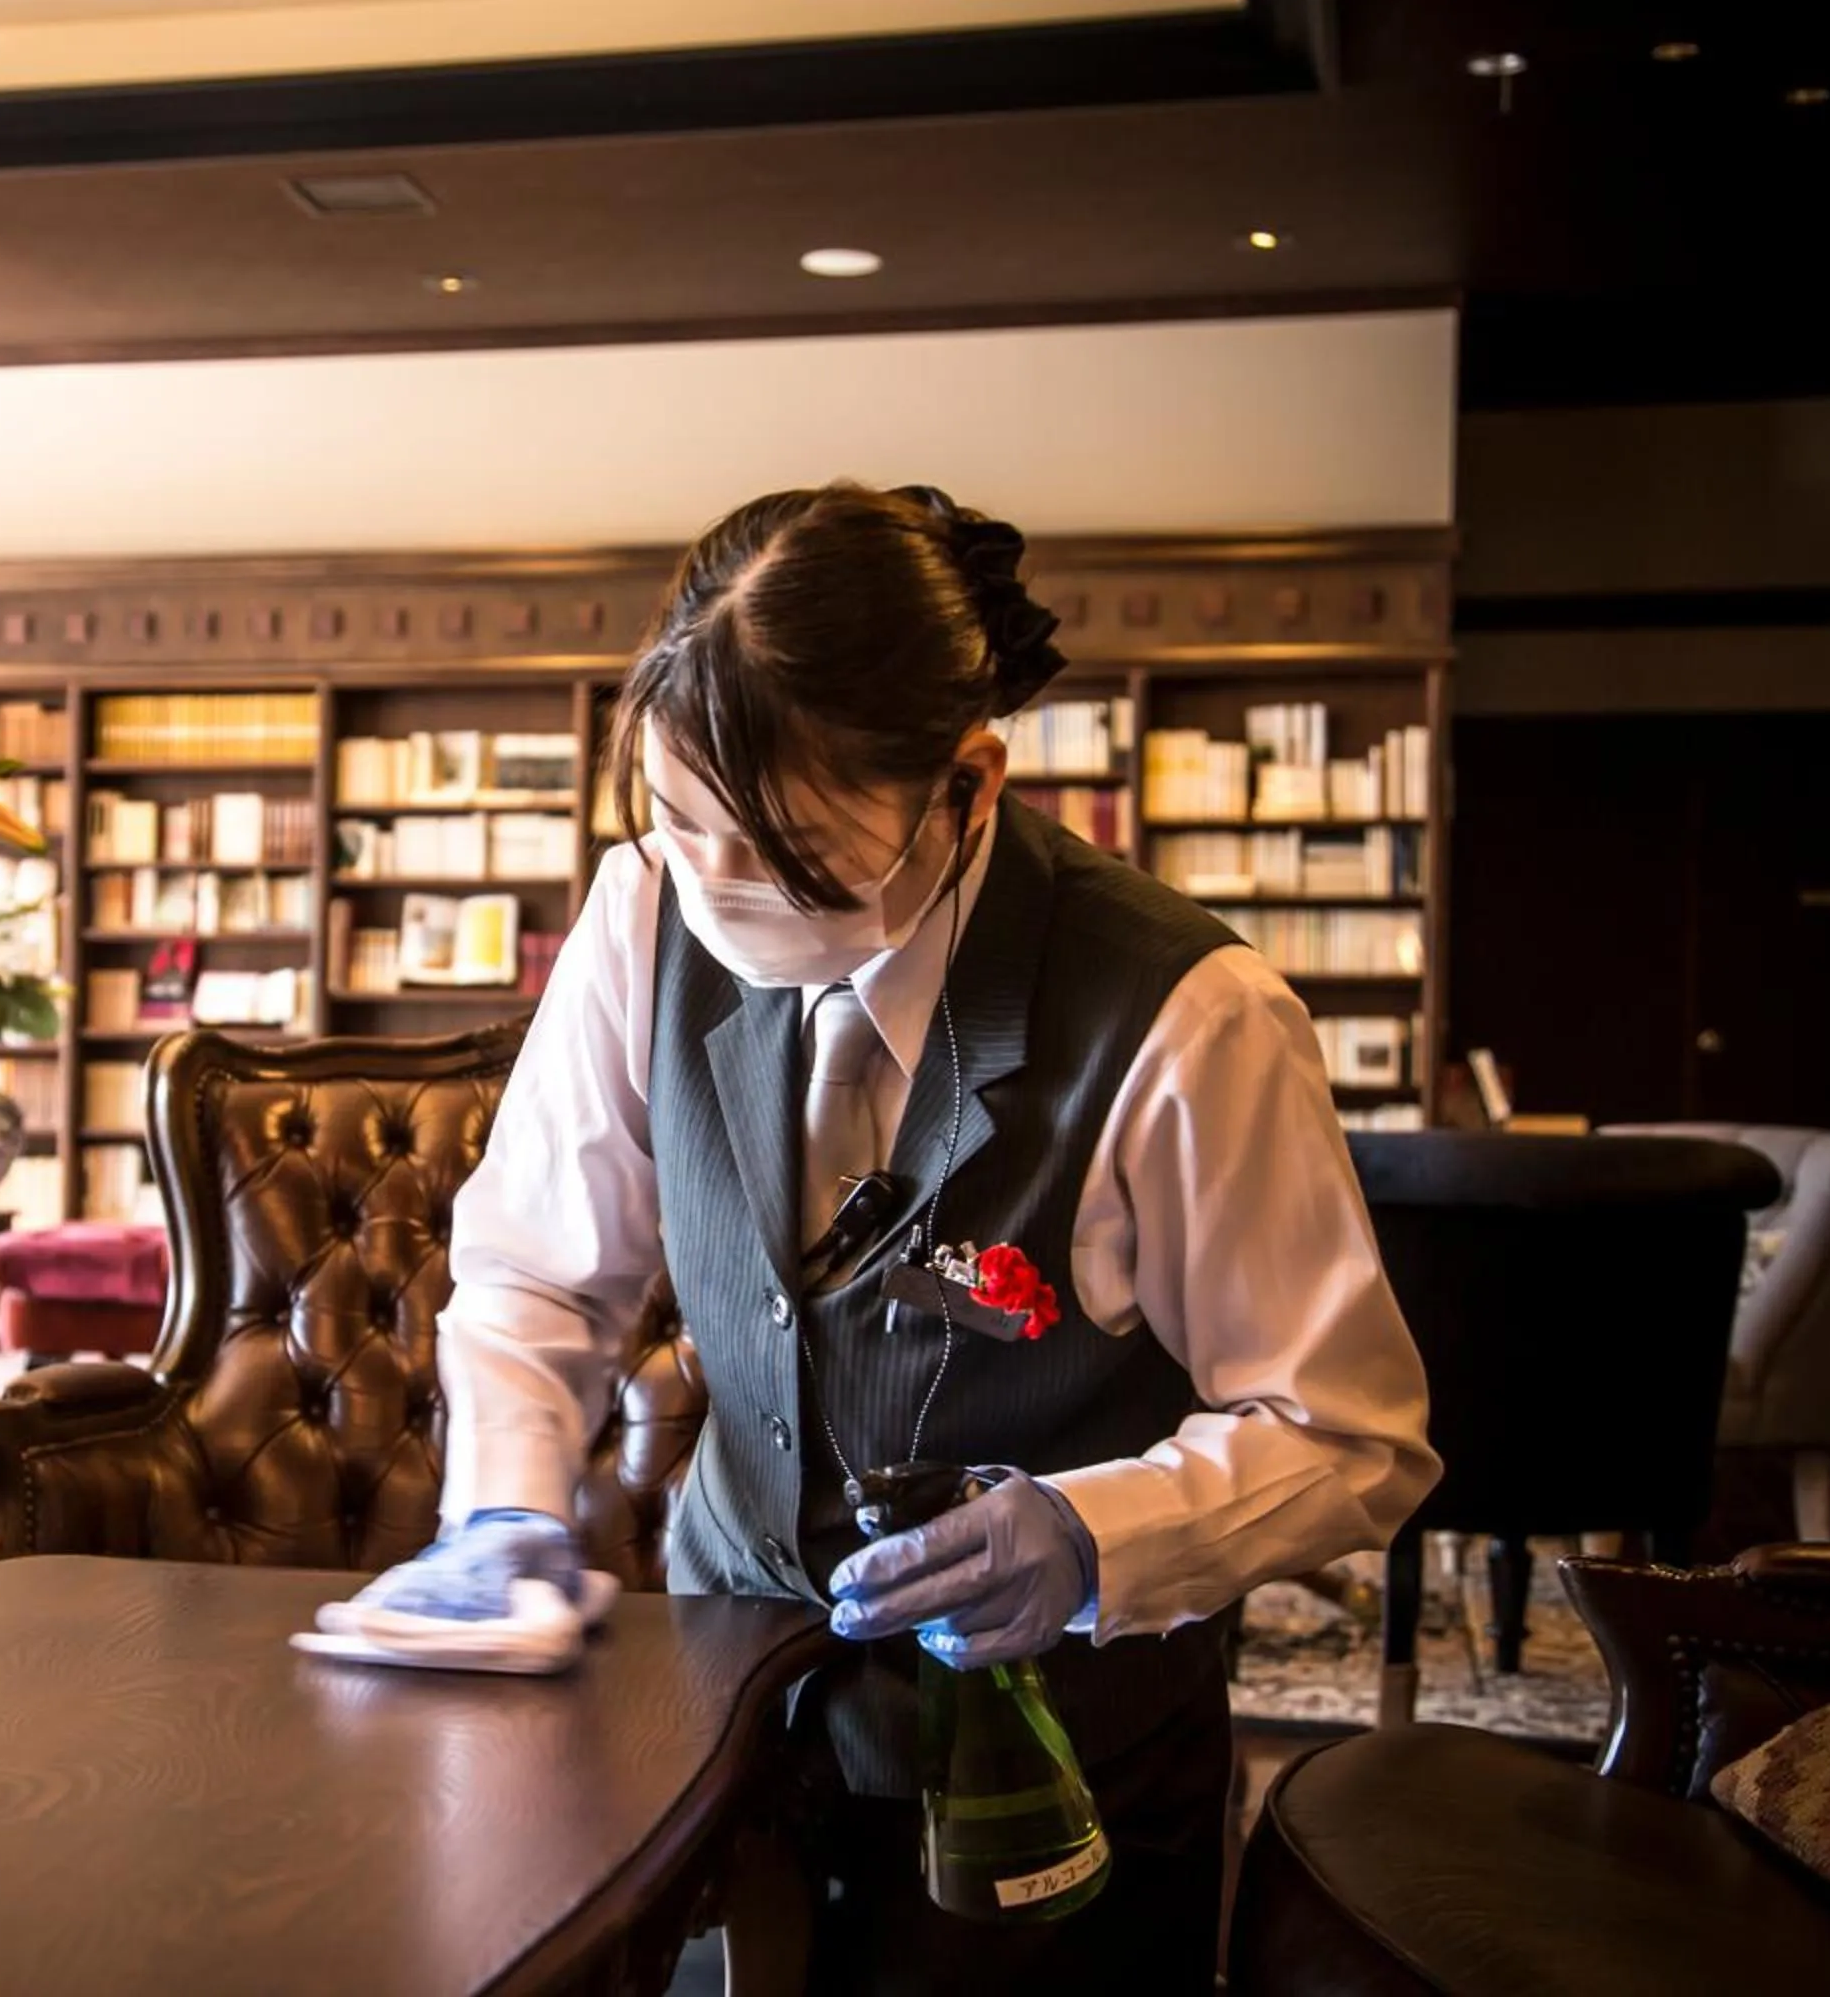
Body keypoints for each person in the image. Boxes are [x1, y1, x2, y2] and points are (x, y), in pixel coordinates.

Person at [349, 483, 1440, 1992]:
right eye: (678, 820)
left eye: (792, 851)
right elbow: (538, 1269)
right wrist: (510, 1512)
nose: (721, 893)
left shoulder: (1188, 1017)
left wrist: (1087, 1539)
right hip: (728, 1714)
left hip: (1057, 1774)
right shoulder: (644, 913)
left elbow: (1350, 1434)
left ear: (970, 787)